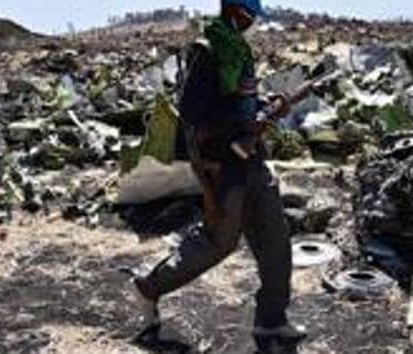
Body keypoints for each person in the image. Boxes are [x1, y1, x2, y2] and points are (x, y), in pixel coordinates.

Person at [127, 0, 307, 352]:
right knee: (217, 243)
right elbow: (194, 116)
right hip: (224, 168)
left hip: (253, 160)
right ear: (235, 11)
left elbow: (242, 100)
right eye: (249, 15)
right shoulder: (207, 52)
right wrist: (243, 124)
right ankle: (148, 287)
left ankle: (272, 321)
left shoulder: (239, 49)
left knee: (275, 242)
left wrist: (267, 106)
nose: (253, 22)